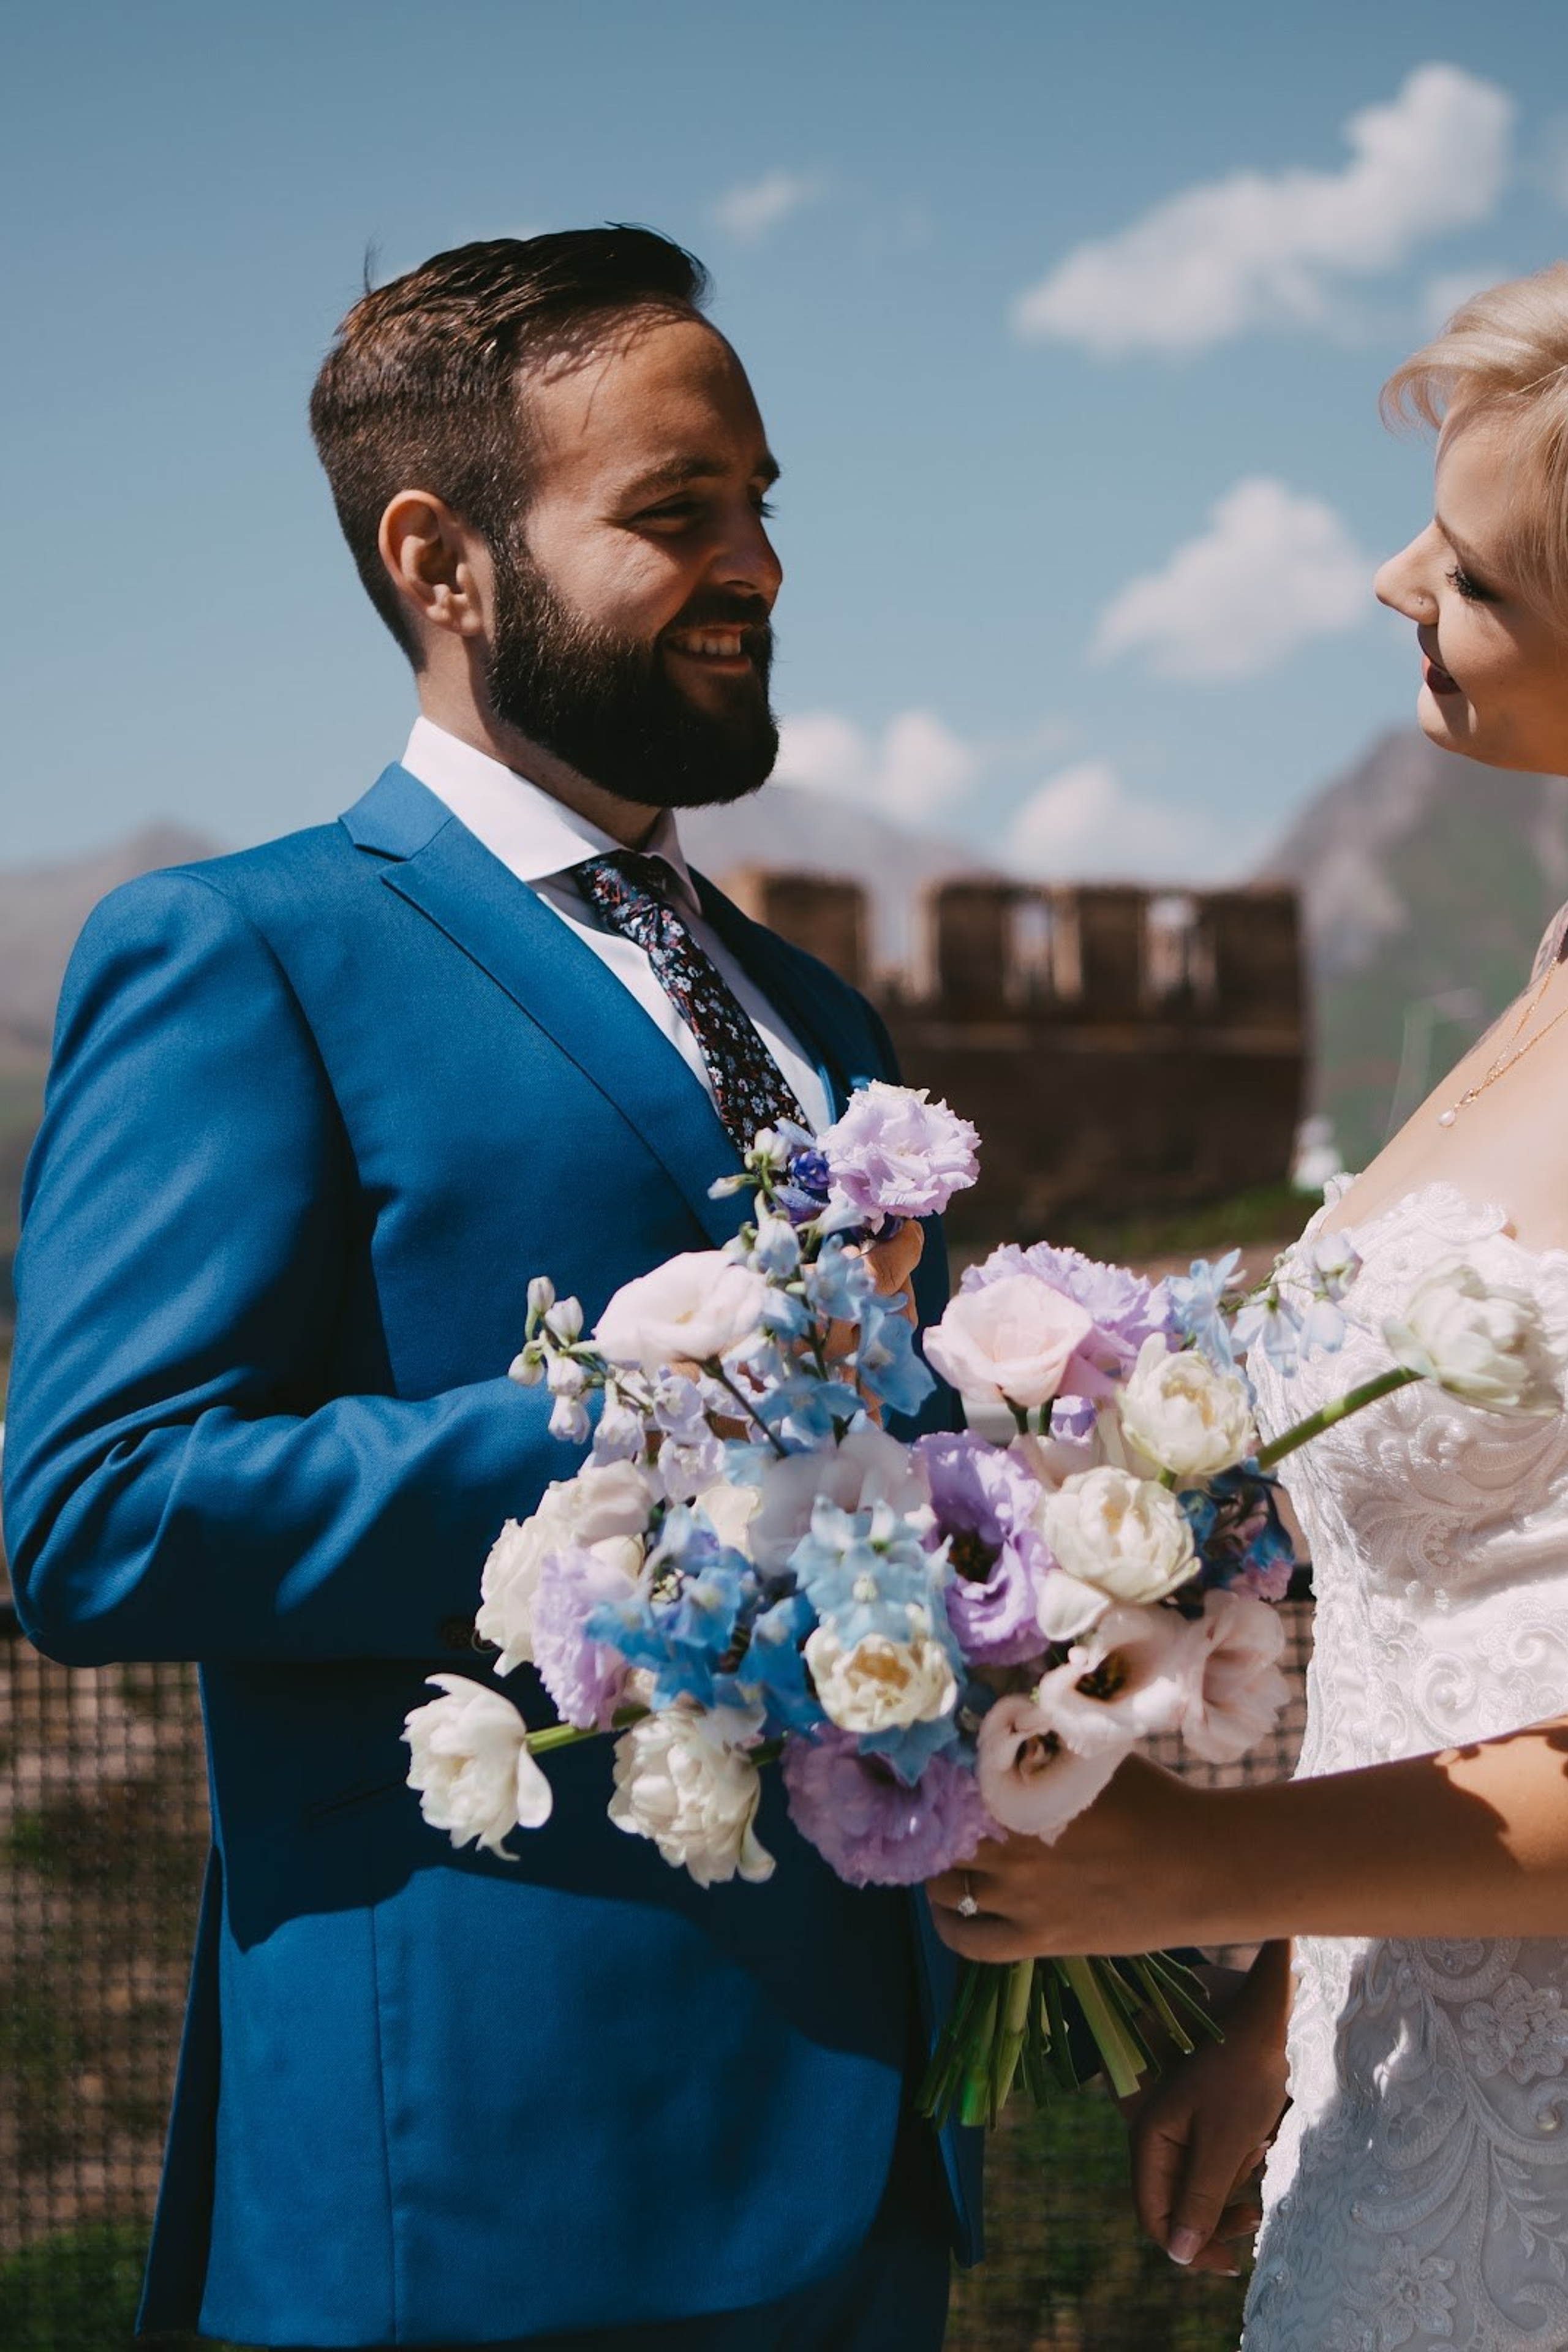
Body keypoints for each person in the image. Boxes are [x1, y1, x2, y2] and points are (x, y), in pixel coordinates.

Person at [1, 229, 976, 2351]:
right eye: (674, 512)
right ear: (442, 560)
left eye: (762, 504)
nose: (760, 566)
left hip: (871, 2164)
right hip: (481, 2195)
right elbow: (93, 1520)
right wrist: (622, 1417)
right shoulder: (244, 952)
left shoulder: (822, 1013)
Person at [928, 262, 1568, 2350]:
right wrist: (1282, 1996)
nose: (1396, 581)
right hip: (1421, 2094)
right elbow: (1445, 1625)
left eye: (1470, 571)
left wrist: (1191, 1877)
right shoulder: (1557, 960)